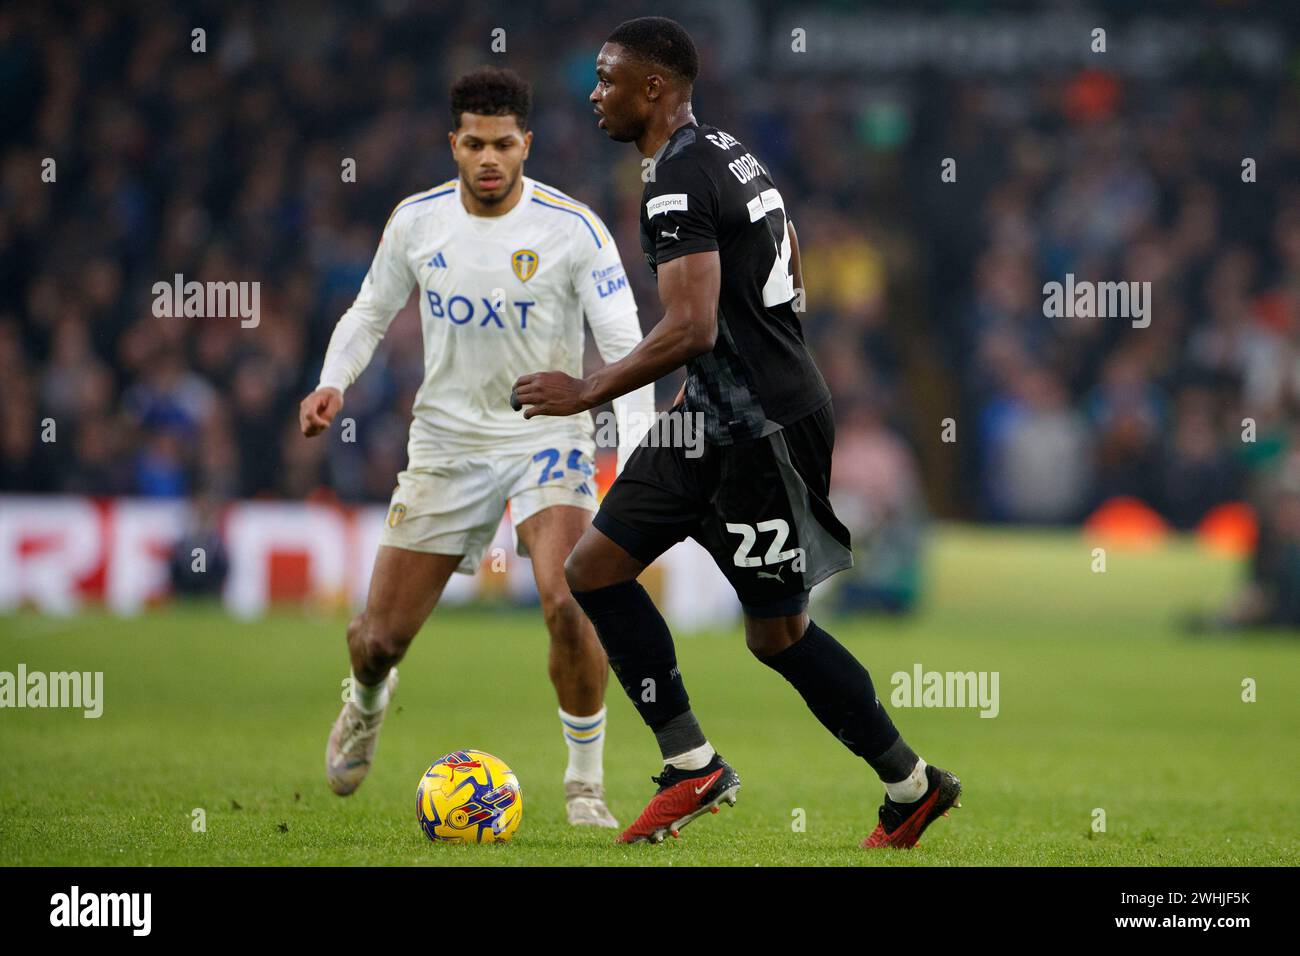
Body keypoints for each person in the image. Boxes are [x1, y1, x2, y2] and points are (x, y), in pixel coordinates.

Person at [513, 17, 961, 847]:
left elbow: (691, 327)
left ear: (655, 88)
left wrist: (586, 392)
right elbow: (780, 262)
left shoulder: (677, 181)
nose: (594, 93)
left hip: (763, 433)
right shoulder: (729, 151)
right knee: (594, 569)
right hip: (711, 417)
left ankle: (913, 785)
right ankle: (692, 765)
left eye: (609, 79)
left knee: (776, 635)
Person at [300, 66, 654, 827]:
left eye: (503, 143)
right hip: (448, 442)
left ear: (526, 144)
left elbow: (625, 345)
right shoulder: (417, 223)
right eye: (473, 144)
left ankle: (585, 784)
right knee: (378, 639)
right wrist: (333, 384)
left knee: (569, 600)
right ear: (452, 145)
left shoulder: (574, 228)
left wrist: (638, 455)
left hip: (547, 435)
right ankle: (366, 701)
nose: (489, 158)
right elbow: (367, 315)